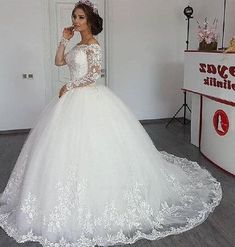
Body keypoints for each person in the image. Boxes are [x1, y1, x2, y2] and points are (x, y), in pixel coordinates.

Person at [0, 1, 222, 247]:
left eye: (80, 17)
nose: (75, 21)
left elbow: (94, 75)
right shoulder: (77, 43)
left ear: (90, 21)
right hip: (69, 99)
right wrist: (63, 40)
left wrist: (70, 85)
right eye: (74, 16)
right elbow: (59, 62)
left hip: (85, 96)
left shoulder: (93, 45)